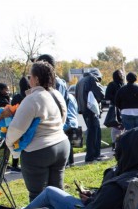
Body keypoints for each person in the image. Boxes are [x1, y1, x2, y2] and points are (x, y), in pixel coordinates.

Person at [6, 61, 69, 201]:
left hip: (39, 151)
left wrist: (10, 144)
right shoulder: (57, 95)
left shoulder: (32, 99)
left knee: (37, 196)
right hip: (62, 145)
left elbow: (17, 128)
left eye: (30, 76)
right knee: (58, 192)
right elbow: (63, 118)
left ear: (37, 79)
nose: (29, 79)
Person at [34, 54, 79, 167]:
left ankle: (67, 163)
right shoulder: (52, 82)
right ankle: (68, 162)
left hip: (58, 121)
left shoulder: (56, 83)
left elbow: (57, 104)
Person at [76, 68, 107, 163]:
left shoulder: (80, 81)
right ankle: (92, 155)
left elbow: (77, 95)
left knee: (93, 131)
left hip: (84, 109)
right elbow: (101, 93)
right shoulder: (92, 79)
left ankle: (95, 154)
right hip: (91, 109)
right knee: (94, 132)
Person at [104, 70, 125, 150]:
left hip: (122, 107)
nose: (122, 75)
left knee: (122, 126)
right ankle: (114, 143)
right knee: (116, 126)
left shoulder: (123, 84)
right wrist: (116, 99)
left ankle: (120, 142)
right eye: (120, 74)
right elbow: (107, 96)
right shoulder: (112, 84)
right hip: (115, 107)